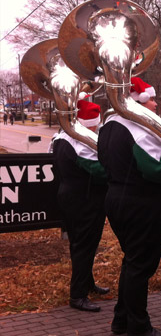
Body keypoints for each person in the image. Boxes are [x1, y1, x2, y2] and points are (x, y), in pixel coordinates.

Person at [98, 77, 161, 336]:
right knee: (141, 265)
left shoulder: (109, 123)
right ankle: (139, 327)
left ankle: (121, 320)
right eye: (152, 99)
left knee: (132, 262)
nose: (155, 104)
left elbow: (102, 160)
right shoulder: (138, 127)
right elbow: (155, 169)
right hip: (142, 202)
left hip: (117, 197)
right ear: (138, 101)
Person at [53, 99, 109, 313]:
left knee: (82, 244)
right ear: (89, 123)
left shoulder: (62, 137)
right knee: (84, 245)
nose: (98, 127)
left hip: (71, 196)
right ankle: (78, 295)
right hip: (84, 200)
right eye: (96, 123)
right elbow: (99, 172)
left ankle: (86, 282)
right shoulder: (80, 142)